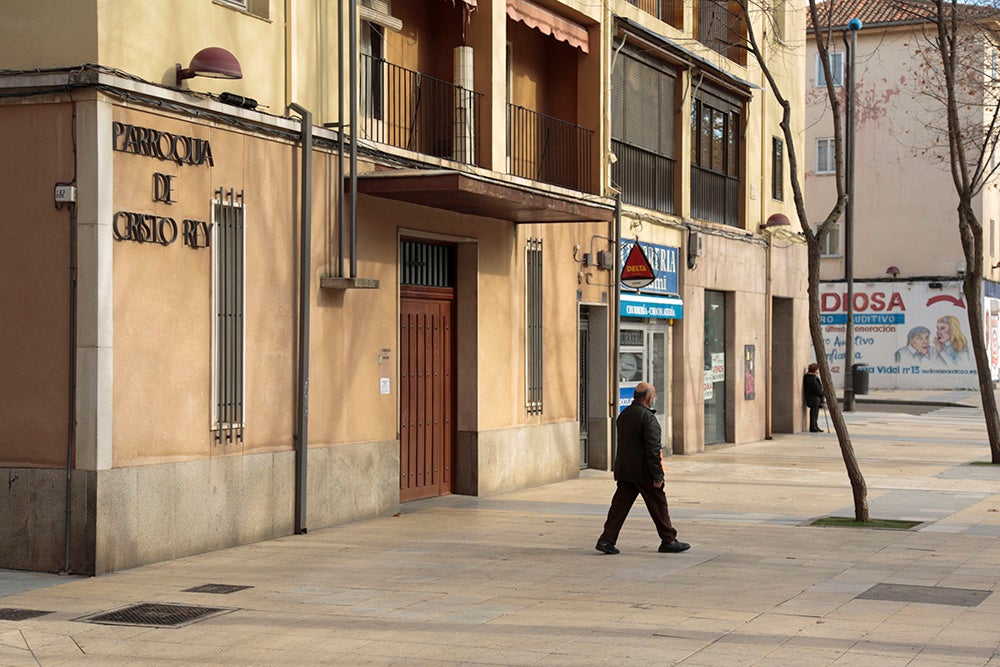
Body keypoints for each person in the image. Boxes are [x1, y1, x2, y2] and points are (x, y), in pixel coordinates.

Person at [596, 382, 689, 555]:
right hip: (644, 472)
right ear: (649, 398)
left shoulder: (624, 415)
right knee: (658, 505)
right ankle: (668, 540)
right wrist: (657, 475)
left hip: (626, 470)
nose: (654, 399)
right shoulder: (647, 418)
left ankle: (606, 540)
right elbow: (653, 450)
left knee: (619, 507)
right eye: (653, 396)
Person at [803, 363, 824, 433]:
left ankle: (815, 425)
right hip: (813, 399)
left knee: (815, 413)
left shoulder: (813, 377)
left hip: (815, 399)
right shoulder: (811, 378)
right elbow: (816, 389)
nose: (818, 371)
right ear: (814, 370)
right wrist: (822, 394)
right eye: (817, 369)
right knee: (814, 413)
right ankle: (813, 426)